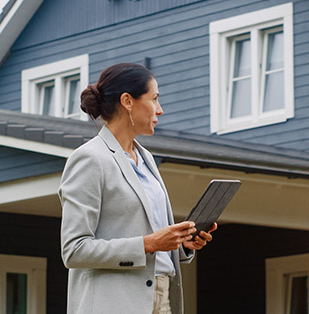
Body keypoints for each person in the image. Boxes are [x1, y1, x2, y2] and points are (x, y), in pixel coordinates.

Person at [59, 62, 216, 314]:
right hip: (112, 304)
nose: (160, 110)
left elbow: (153, 239)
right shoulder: (90, 159)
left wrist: (182, 244)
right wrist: (148, 244)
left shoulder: (146, 159)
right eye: (154, 99)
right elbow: (74, 250)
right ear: (127, 101)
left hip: (162, 297)